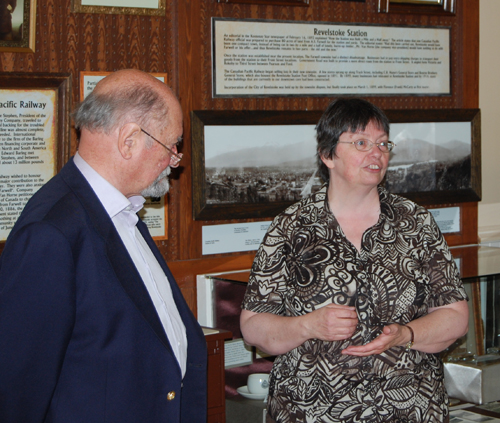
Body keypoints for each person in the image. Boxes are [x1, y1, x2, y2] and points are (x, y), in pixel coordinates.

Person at [240, 98, 469, 423]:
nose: (376, 153)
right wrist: (308, 325)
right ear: (327, 154)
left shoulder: (415, 223)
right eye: (361, 143)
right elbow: (253, 326)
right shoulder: (291, 227)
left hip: (408, 409)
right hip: (310, 411)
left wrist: (406, 333)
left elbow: (454, 316)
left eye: (382, 144)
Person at [0, 69, 207, 423]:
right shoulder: (51, 234)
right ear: (128, 140)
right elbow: (19, 390)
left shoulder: (120, 209)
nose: (175, 161)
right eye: (170, 145)